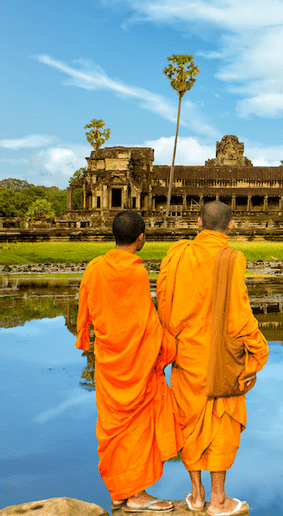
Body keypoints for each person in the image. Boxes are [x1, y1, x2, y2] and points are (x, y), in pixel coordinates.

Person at [156, 201, 268, 516]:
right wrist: (257, 353)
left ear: (198, 222)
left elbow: (163, 301)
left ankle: (195, 493)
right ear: (230, 226)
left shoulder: (177, 254)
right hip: (220, 358)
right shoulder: (231, 258)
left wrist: (172, 340)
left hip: (185, 353)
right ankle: (218, 499)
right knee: (221, 420)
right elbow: (239, 314)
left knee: (189, 420)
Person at [75, 210, 182, 513]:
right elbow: (145, 324)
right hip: (134, 364)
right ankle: (134, 494)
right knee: (135, 428)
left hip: (109, 362)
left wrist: (86, 338)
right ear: (141, 238)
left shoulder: (94, 268)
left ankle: (120, 491)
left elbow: (87, 310)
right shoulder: (135, 273)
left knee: (115, 427)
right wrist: (169, 345)